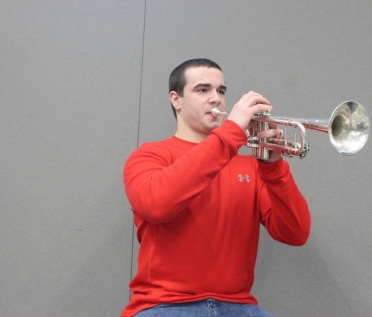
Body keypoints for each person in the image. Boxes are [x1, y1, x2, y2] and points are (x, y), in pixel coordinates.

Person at [122, 58, 311, 317]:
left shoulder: (252, 167)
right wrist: (232, 132)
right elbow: (158, 205)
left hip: (240, 307)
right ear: (176, 99)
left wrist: (273, 168)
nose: (216, 99)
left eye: (221, 91)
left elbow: (296, 233)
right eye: (203, 90)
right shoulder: (150, 156)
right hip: (165, 306)